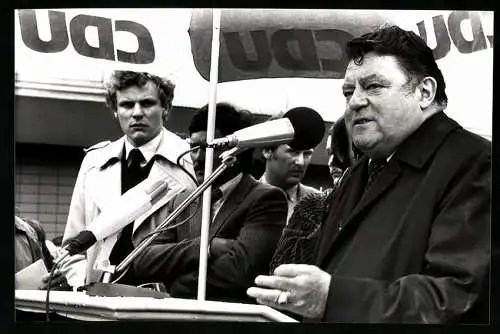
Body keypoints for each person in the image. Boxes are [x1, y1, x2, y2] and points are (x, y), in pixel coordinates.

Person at [247, 25, 490, 323]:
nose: (354, 102)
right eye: (349, 91)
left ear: (425, 92)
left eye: (373, 86)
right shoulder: (363, 168)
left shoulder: (476, 164)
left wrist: (331, 298)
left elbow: (453, 298)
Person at [133, 102, 288, 303]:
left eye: (207, 148)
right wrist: (206, 247)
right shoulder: (183, 199)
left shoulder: (266, 198)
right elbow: (144, 260)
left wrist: (177, 283)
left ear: (236, 151)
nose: (196, 158)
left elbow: (240, 272)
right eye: (193, 147)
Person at [59, 70, 196, 286]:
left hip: (160, 302)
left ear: (166, 108)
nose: (137, 113)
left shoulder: (190, 161)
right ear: (115, 111)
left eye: (147, 103)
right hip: (98, 300)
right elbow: (72, 244)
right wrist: (82, 284)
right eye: (127, 105)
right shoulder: (94, 162)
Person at [260, 108, 321, 223]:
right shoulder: (241, 198)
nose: (301, 162)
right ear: (267, 151)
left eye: (307, 154)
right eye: (293, 152)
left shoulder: (319, 203)